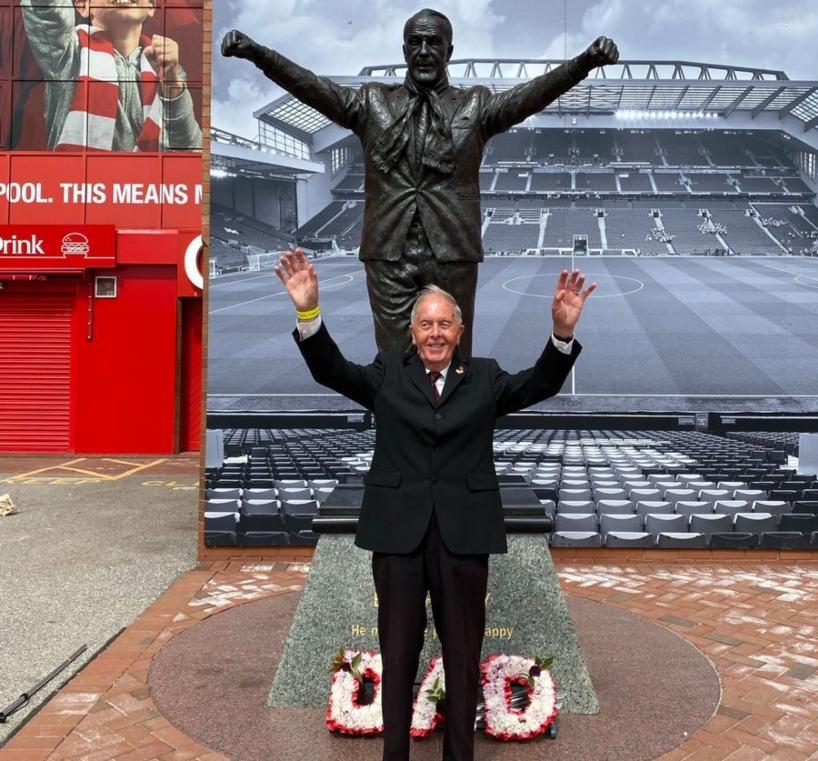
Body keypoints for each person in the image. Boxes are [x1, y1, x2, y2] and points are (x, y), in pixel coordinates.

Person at [275, 249, 596, 761]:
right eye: (426, 324)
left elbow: (540, 383)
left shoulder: (486, 377)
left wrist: (560, 334)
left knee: (463, 656)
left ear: (459, 329)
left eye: (444, 323)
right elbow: (330, 370)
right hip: (399, 537)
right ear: (412, 330)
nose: (435, 333)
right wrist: (309, 312)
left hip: (463, 538)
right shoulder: (387, 374)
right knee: (398, 656)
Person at [224, 10, 617, 356]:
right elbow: (312, 87)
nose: (424, 50)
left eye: (434, 42)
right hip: (387, 253)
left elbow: (528, 97)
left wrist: (581, 64)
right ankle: (398, 434)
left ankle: (454, 435)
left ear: (449, 50)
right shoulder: (372, 102)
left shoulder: (475, 105)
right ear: (404, 49)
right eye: (416, 42)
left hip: (452, 251)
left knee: (455, 356)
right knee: (394, 361)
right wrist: (260, 55)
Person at [20, 0, 202, 151]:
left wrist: (172, 84)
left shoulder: (169, 70)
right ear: (83, 5)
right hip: (81, 189)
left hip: (147, 191)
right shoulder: (66, 52)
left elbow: (189, 149)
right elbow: (47, 11)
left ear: (151, 5)